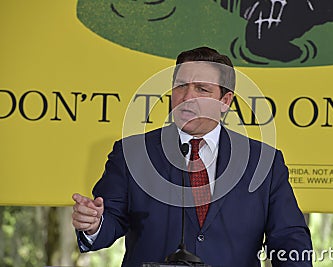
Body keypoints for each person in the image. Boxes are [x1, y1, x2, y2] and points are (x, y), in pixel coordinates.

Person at [72, 46, 313, 267]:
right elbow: (109, 222)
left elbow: (289, 237)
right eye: (180, 86)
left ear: (225, 101)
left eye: (201, 89)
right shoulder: (132, 153)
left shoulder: (264, 161)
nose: (186, 98)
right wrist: (93, 225)